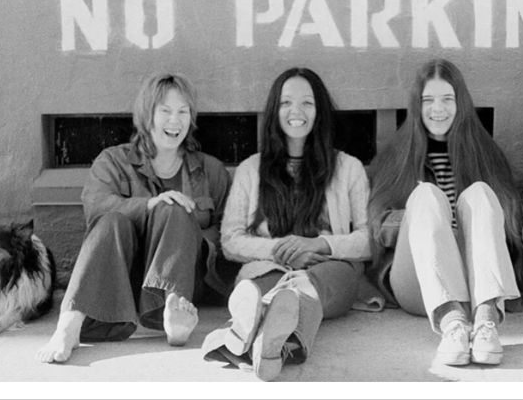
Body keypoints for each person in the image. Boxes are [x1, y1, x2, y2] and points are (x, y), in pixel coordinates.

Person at [37, 74, 233, 363]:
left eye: (183, 112)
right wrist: (150, 205)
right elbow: (95, 207)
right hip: (120, 278)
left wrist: (187, 234)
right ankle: (69, 325)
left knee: (175, 210)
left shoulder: (210, 170)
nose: (175, 121)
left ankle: (173, 314)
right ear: (146, 115)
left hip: (183, 280)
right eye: (165, 111)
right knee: (112, 221)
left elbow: (225, 231)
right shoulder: (113, 161)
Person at [201, 67, 370, 381]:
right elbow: (231, 240)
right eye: (286, 102)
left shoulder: (348, 168)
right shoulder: (251, 169)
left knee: (304, 287)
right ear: (274, 110)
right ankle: (277, 346)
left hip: (330, 272)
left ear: (320, 111)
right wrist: (281, 249)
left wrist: (318, 244)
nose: (296, 111)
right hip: (269, 269)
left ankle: (241, 331)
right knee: (267, 287)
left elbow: (367, 239)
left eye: (307, 103)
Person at [366, 59, 523, 367]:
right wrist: (429, 225)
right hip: (419, 282)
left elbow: (506, 222)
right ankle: (452, 323)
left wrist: (464, 230)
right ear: (417, 105)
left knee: (480, 192)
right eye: (428, 100)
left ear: (460, 103)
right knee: (427, 194)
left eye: (447, 99)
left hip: (475, 282)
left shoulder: (485, 153)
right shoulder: (399, 154)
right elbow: (378, 225)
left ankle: (485, 321)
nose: (437, 109)